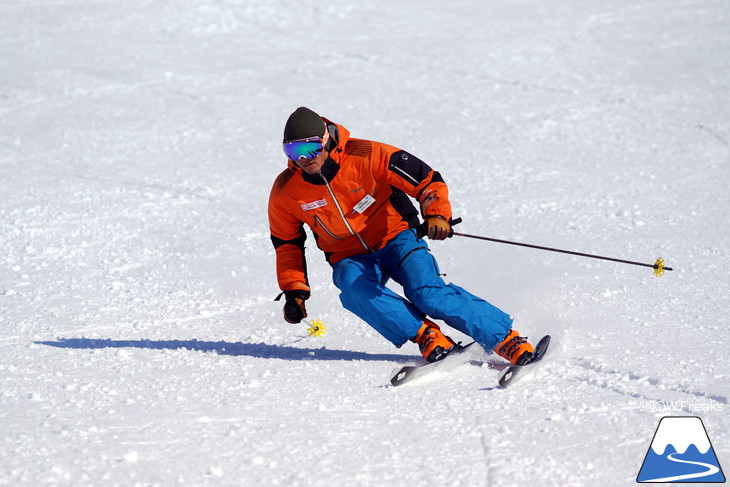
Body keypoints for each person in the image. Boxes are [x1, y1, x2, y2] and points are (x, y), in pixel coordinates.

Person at [268, 107, 535, 365]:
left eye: (311, 146)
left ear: (326, 140)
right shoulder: (286, 191)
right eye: (293, 150)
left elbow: (427, 180)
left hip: (397, 238)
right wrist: (294, 292)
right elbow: (287, 243)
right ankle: (426, 336)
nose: (305, 157)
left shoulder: (367, 155)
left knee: (426, 293)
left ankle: (506, 339)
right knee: (351, 286)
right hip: (349, 255)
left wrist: (436, 214)